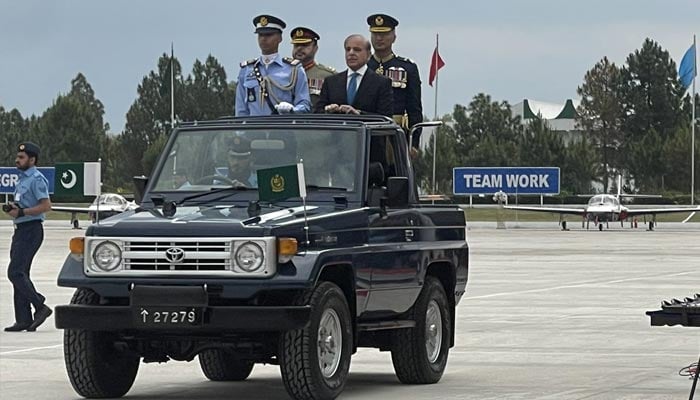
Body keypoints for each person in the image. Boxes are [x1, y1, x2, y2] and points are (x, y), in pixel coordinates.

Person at [3, 142, 53, 332]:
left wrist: (23, 212)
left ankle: (40, 306)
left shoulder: (36, 179)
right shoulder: (22, 179)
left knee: (15, 272)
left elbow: (46, 205)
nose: (17, 159)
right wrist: (15, 209)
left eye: (22, 157)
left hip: (31, 229)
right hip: (21, 230)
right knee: (21, 273)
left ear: (32, 160)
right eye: (17, 156)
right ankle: (23, 319)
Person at [235, 15, 312, 116]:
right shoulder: (247, 69)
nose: (263, 39)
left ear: (279, 38)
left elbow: (304, 104)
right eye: (260, 35)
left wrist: (293, 109)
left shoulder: (294, 69)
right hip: (253, 129)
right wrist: (241, 131)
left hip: (282, 128)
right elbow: (241, 109)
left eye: (268, 35)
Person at [366, 13, 423, 148]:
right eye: (375, 34)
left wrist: (413, 143)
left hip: (396, 133)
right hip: (367, 132)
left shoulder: (408, 68)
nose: (379, 38)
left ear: (394, 37)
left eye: (384, 34)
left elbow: (414, 109)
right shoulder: (364, 67)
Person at [314, 34, 393, 116]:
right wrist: (327, 110)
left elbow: (385, 117)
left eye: (357, 50)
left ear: (369, 55)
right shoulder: (331, 82)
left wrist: (358, 113)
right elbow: (318, 112)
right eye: (348, 49)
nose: (351, 53)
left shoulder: (381, 83)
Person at [290, 26, 336, 109]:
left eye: (305, 45)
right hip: (284, 120)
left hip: (314, 120)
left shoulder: (327, 76)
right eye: (296, 45)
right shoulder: (283, 72)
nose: (299, 48)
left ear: (315, 48)